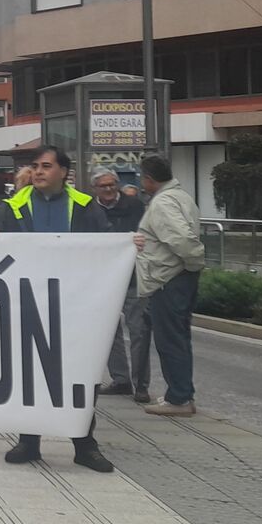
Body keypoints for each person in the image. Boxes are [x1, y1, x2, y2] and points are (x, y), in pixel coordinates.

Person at [0, 146, 115, 473]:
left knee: (81, 375)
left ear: (63, 172)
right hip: (28, 302)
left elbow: (105, 250)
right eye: (35, 166)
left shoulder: (86, 208)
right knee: (30, 372)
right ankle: (29, 439)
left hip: (74, 305)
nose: (39, 171)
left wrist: (128, 246)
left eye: (46, 166)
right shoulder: (12, 207)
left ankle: (84, 444)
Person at [133, 155, 206, 417]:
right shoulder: (181, 196)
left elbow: (182, 239)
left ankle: (179, 398)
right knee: (179, 337)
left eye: (143, 178)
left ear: (149, 179)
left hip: (168, 278)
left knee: (170, 340)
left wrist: (194, 262)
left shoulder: (163, 202)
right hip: (177, 276)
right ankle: (181, 392)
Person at [90, 167, 153, 404]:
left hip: (132, 277)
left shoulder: (135, 206)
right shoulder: (89, 209)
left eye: (111, 185)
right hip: (102, 279)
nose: (108, 189)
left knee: (138, 331)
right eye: (103, 186)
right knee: (109, 332)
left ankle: (141, 385)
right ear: (94, 188)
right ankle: (120, 379)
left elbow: (145, 234)